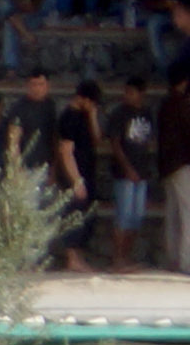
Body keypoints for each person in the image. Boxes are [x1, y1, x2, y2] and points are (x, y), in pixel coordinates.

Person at [55, 81, 104, 273]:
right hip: (74, 174)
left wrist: (92, 116)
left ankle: (78, 256)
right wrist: (76, 181)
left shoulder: (84, 115)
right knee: (75, 215)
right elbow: (66, 151)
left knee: (86, 217)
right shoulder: (69, 117)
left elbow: (97, 139)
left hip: (87, 171)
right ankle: (72, 258)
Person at [109, 77, 157, 272]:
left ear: (141, 94)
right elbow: (115, 143)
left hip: (142, 170)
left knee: (136, 217)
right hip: (124, 172)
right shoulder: (119, 113)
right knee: (123, 215)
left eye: (131, 92)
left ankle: (127, 257)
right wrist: (127, 168)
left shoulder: (146, 113)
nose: (127, 95)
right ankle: (117, 258)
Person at [160, 68, 190, 270]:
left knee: (172, 213)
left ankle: (172, 259)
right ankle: (187, 261)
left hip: (167, 165)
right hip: (181, 164)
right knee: (187, 213)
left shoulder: (165, 104)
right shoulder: (182, 105)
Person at [8, 69, 60, 173]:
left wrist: (54, 168)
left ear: (47, 86)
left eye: (41, 84)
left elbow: (54, 138)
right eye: (34, 84)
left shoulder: (50, 106)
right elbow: (13, 140)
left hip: (46, 166)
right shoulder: (19, 108)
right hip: (26, 167)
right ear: (28, 85)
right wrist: (17, 167)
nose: (37, 88)